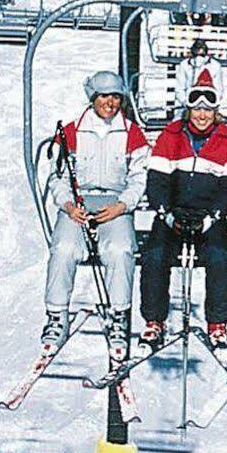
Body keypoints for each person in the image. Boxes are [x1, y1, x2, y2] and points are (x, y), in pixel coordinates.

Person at [42, 71, 148, 356]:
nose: (110, 103)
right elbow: (58, 177)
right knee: (64, 248)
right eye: (104, 96)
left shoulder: (131, 133)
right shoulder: (72, 131)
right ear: (93, 98)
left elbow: (139, 177)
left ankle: (118, 317)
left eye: (115, 97)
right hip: (79, 201)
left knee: (120, 249)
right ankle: (56, 315)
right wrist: (67, 205)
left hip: (113, 202)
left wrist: (123, 205)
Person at [138, 69, 227, 352]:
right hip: (173, 213)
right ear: (188, 109)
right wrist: (166, 213)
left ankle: (217, 323)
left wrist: (212, 218)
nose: (201, 115)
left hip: (209, 217)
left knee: (220, 256)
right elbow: (157, 182)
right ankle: (154, 320)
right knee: (156, 254)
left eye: (208, 110)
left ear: (216, 112)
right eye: (196, 108)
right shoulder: (169, 138)